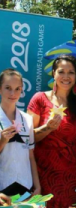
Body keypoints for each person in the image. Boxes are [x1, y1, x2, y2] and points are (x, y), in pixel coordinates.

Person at [27, 55, 76, 208]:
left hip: (69, 175)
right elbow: (28, 138)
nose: (66, 76)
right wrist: (48, 128)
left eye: (71, 72)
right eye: (61, 71)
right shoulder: (40, 99)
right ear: (54, 74)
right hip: (40, 173)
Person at [0, 68, 40, 196]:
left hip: (25, 186)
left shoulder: (27, 119)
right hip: (2, 187)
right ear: (0, 89)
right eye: (8, 88)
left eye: (17, 88)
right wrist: (2, 141)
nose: (13, 93)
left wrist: (37, 186)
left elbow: (30, 156)